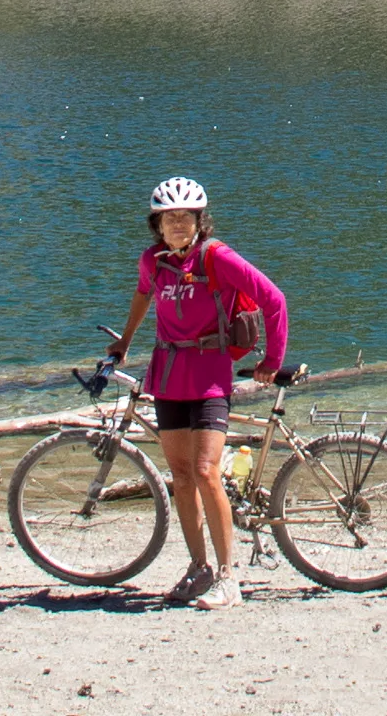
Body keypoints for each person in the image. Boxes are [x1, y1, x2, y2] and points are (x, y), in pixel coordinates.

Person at [106, 175, 288, 610]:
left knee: (206, 472)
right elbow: (142, 295)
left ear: (200, 220)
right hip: (168, 377)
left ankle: (229, 579)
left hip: (209, 378)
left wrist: (271, 363)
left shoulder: (217, 258)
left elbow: (274, 299)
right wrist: (125, 343)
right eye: (169, 219)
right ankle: (199, 567)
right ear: (157, 225)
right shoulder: (152, 261)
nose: (178, 225)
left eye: (186, 217)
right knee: (182, 478)